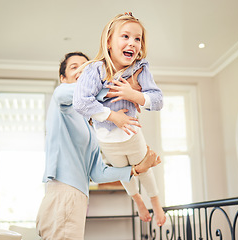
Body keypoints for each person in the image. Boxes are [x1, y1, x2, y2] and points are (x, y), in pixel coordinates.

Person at [36, 52, 161, 240]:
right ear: (63, 78)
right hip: (64, 193)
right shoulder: (61, 100)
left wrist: (136, 169)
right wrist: (120, 92)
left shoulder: (90, 125)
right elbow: (80, 95)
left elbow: (97, 173)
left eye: (86, 67)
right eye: (74, 67)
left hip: (77, 196)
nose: (81, 70)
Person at [73, 13, 166, 226]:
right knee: (126, 174)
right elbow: (80, 103)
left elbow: (158, 100)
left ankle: (156, 202)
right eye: (125, 36)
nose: (132, 43)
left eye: (138, 39)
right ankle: (139, 202)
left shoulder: (140, 68)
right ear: (108, 41)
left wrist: (134, 95)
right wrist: (113, 116)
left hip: (131, 134)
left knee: (144, 167)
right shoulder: (94, 69)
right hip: (106, 139)